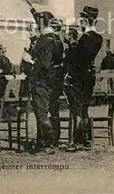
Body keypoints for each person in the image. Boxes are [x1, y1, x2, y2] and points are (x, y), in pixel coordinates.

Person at [22, 11, 57, 153]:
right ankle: (42, 141)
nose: (36, 24)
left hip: (41, 81)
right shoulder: (47, 38)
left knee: (42, 114)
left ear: (42, 23)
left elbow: (44, 64)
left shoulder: (47, 39)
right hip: (41, 81)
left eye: (38, 22)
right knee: (39, 113)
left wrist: (29, 60)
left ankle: (48, 143)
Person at [75, 6, 103, 149]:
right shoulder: (98, 37)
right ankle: (87, 139)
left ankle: (82, 140)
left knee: (80, 108)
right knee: (84, 107)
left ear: (85, 21)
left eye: (81, 20)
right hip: (90, 75)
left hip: (81, 75)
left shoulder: (85, 38)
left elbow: (78, 58)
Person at [47, 18, 66, 147]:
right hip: (56, 76)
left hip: (54, 77)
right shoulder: (57, 42)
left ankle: (54, 138)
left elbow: (53, 61)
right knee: (53, 108)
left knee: (52, 108)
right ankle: (53, 137)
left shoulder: (56, 43)